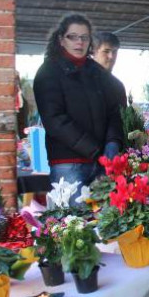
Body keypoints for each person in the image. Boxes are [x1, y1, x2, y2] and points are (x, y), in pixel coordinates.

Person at [33, 14, 123, 198]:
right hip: (68, 164)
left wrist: (113, 142)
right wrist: (96, 150)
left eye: (84, 37)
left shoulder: (98, 72)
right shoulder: (49, 72)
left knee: (105, 221)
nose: (79, 42)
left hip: (102, 162)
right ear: (61, 39)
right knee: (75, 223)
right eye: (72, 36)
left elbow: (115, 112)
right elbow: (55, 121)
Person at [92, 32, 128, 108]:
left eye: (114, 51)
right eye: (106, 51)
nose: (111, 56)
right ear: (94, 52)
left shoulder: (118, 86)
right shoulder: (79, 81)